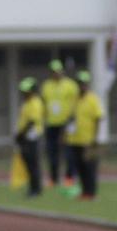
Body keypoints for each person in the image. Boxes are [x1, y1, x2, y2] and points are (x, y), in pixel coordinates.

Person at [41, 59, 79, 187]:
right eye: (53, 72)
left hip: (66, 123)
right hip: (51, 123)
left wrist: (72, 121)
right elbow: (44, 104)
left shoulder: (70, 85)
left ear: (62, 71)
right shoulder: (46, 86)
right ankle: (53, 178)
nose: (56, 74)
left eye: (58, 71)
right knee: (52, 153)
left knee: (69, 152)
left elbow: (76, 104)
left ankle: (69, 177)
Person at [68, 70, 105, 200]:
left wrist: (96, 137)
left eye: (83, 84)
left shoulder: (93, 99)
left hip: (89, 141)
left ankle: (91, 193)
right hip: (75, 140)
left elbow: (98, 118)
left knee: (90, 168)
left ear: (87, 84)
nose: (81, 86)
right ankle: (84, 192)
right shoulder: (75, 99)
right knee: (80, 167)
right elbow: (71, 117)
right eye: (79, 84)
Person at [14, 77, 44, 197]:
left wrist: (21, 134)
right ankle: (32, 188)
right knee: (29, 164)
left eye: (26, 91)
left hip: (32, 137)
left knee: (33, 164)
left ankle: (36, 189)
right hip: (25, 137)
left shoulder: (35, 103)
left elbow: (32, 121)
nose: (24, 93)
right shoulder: (26, 103)